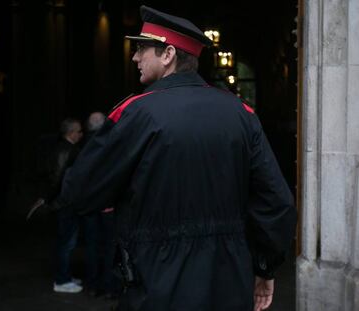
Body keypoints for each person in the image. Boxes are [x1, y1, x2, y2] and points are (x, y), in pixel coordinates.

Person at [38, 6, 297, 310]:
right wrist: (264, 267)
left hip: (156, 282)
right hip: (229, 283)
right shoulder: (242, 114)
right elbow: (277, 202)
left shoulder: (136, 113)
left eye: (141, 49)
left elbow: (80, 190)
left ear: (168, 54)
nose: (135, 57)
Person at [34, 118, 84, 293]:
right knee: (66, 243)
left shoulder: (63, 149)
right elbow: (57, 178)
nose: (81, 134)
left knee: (66, 242)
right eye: (78, 131)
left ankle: (65, 276)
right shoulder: (65, 151)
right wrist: (47, 198)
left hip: (64, 201)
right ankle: (62, 280)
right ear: (70, 133)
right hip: (64, 203)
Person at [80, 112, 120, 299]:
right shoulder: (108, 144)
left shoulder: (81, 146)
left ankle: (93, 285)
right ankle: (109, 286)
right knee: (109, 246)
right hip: (106, 204)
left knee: (92, 245)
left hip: (89, 204)